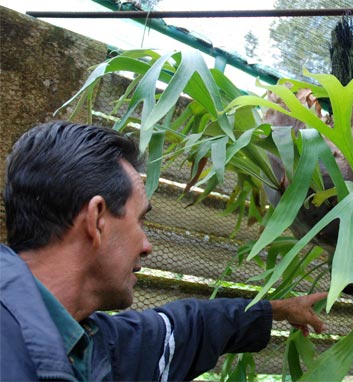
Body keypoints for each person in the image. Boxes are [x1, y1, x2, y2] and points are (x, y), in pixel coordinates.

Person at [0, 121, 327, 381]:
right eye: (140, 220)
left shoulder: (92, 344)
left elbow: (191, 326)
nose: (147, 246)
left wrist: (279, 310)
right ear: (97, 220)